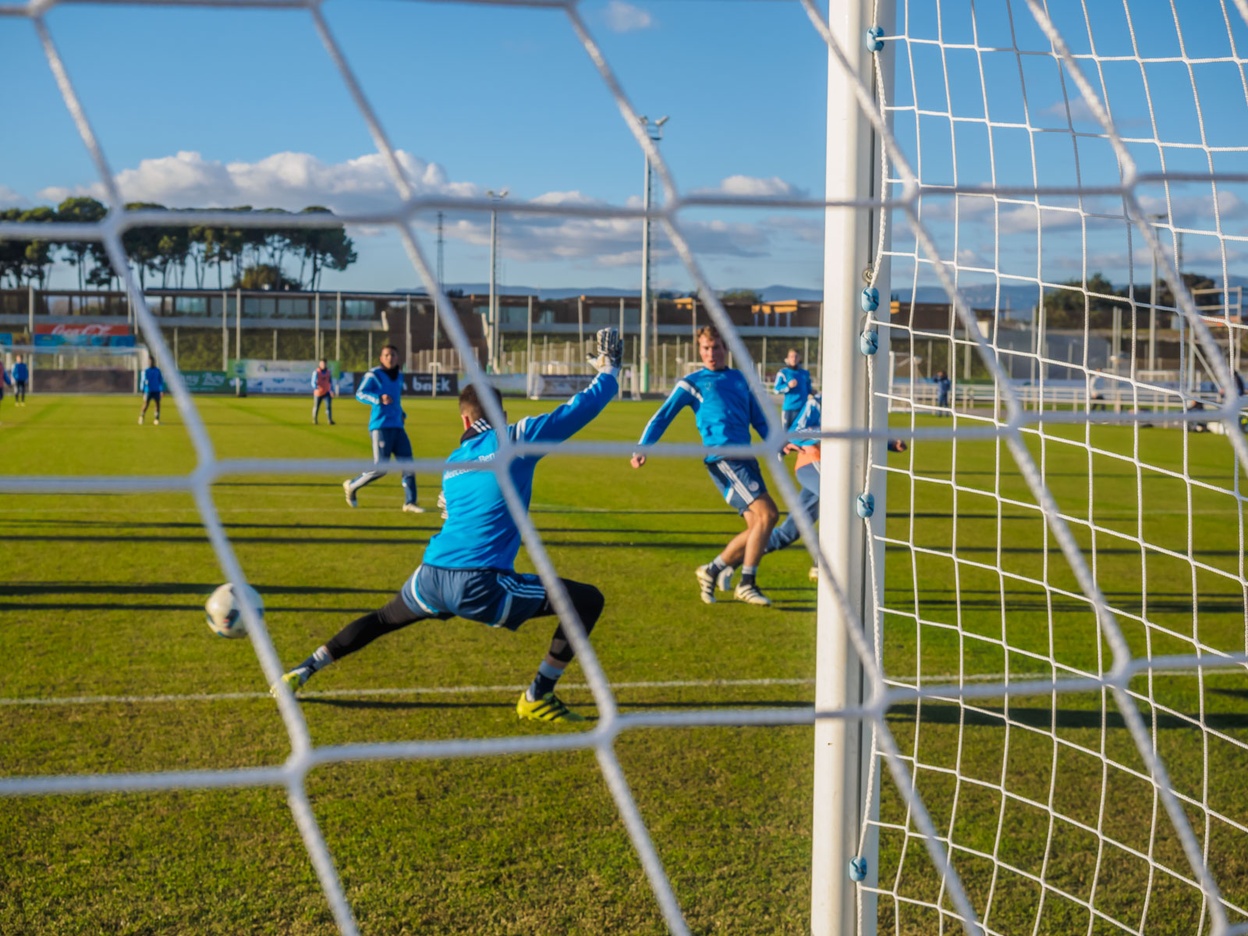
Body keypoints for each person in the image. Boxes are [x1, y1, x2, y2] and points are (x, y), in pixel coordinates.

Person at [276, 328, 624, 724]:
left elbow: (453, 512)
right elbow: (579, 409)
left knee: (382, 619)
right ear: (502, 416)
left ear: (464, 418)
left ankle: (302, 670)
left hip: (430, 575)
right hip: (478, 582)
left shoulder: (453, 462)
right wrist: (609, 372)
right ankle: (536, 695)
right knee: (586, 600)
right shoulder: (515, 438)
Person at [632, 325, 778, 606]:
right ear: (699, 350)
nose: (711, 353)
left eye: (717, 347)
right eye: (706, 348)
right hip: (724, 459)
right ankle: (747, 583)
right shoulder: (693, 382)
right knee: (768, 515)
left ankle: (711, 570)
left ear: (726, 349)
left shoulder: (740, 379)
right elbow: (662, 417)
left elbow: (758, 419)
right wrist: (643, 447)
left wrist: (779, 442)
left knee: (756, 528)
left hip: (746, 458)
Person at [343, 345, 423, 514]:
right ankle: (352, 485)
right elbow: (360, 393)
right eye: (386, 355)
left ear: (397, 358)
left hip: (398, 426)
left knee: (408, 464)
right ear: (381, 358)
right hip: (380, 426)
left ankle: (410, 502)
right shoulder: (374, 375)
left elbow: (396, 400)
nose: (390, 358)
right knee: (380, 468)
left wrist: (401, 413)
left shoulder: (399, 376)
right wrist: (378, 398)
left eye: (393, 355)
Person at [772, 347, 812, 430]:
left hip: (803, 410)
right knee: (786, 437)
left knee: (800, 436)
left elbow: (808, 389)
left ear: (799, 358)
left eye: (796, 356)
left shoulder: (805, 373)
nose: (794, 359)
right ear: (787, 358)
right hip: (789, 409)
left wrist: (813, 392)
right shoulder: (783, 372)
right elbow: (776, 389)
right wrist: (788, 386)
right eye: (791, 356)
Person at [311, 359, 336, 425]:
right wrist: (316, 387)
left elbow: (330, 382)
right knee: (316, 407)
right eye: (322, 363)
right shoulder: (316, 372)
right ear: (319, 364)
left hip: (326, 392)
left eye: (324, 363)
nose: (323, 365)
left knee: (328, 407)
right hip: (318, 393)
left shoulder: (328, 372)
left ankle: (329, 420)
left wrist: (331, 391)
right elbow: (313, 382)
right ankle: (315, 419)